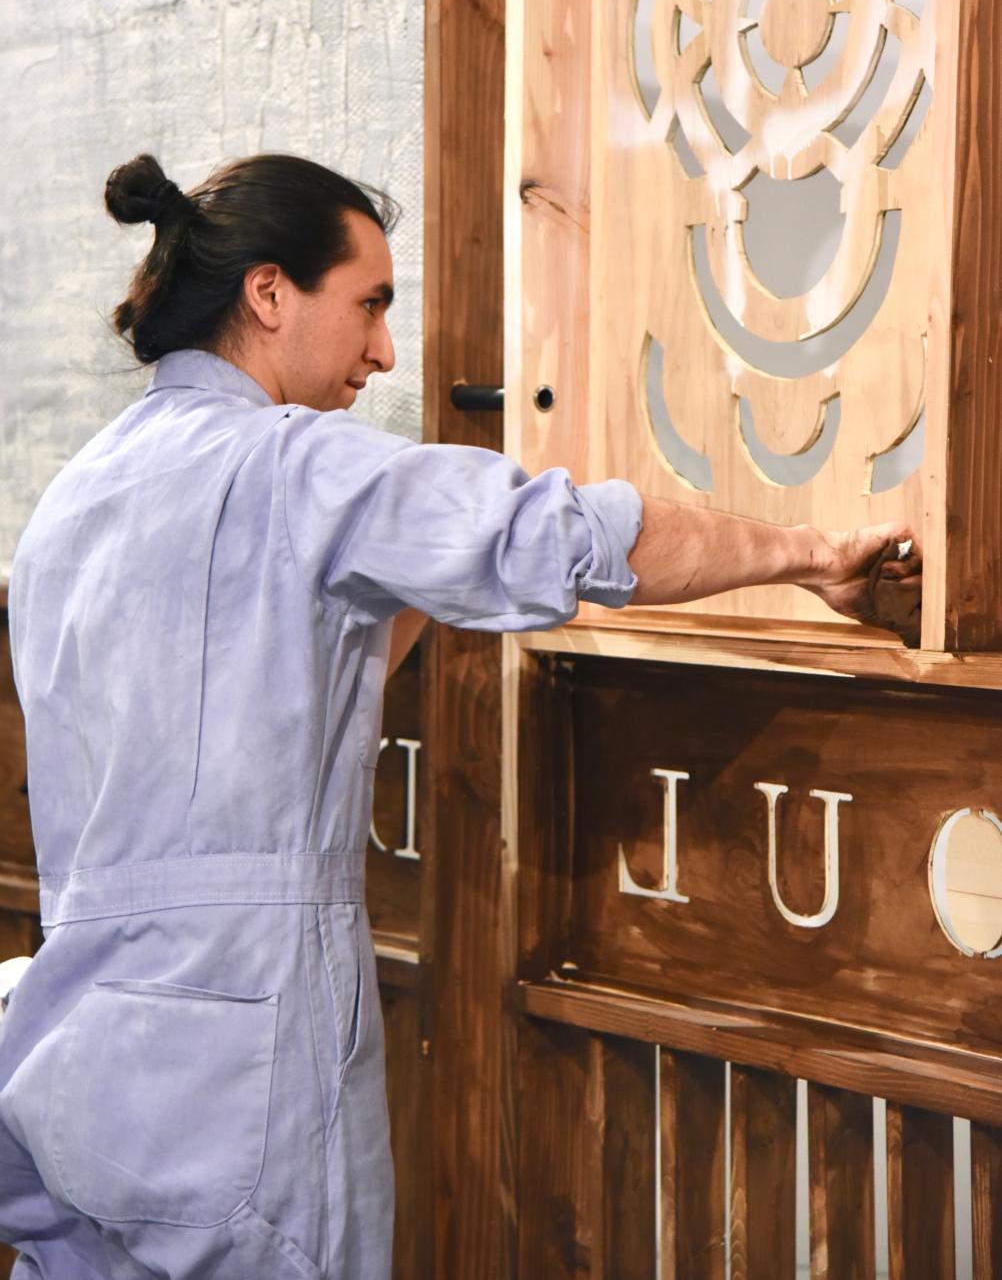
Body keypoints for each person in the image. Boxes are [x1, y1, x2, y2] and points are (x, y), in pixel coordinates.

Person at [0, 152, 921, 1279]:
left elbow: (288, 681)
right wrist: (809, 554)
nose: (385, 351)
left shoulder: (72, 501)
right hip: (232, 1064)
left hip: (69, 1052)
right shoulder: (299, 468)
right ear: (270, 293)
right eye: (372, 304)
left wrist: (419, 571)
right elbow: (583, 536)